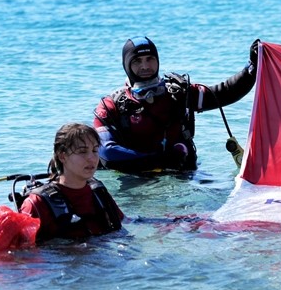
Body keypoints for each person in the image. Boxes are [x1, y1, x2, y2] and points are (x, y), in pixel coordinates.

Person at [93, 36, 259, 173]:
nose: (145, 66)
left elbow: (224, 93)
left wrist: (252, 67)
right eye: (137, 61)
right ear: (126, 65)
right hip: (137, 181)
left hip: (182, 177)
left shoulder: (178, 93)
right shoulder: (111, 106)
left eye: (150, 59)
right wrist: (159, 159)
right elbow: (106, 152)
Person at [17, 123, 125, 244]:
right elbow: (21, 254)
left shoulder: (98, 192)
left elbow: (124, 221)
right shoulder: (37, 203)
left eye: (95, 150)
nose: (92, 158)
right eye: (82, 151)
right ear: (62, 156)